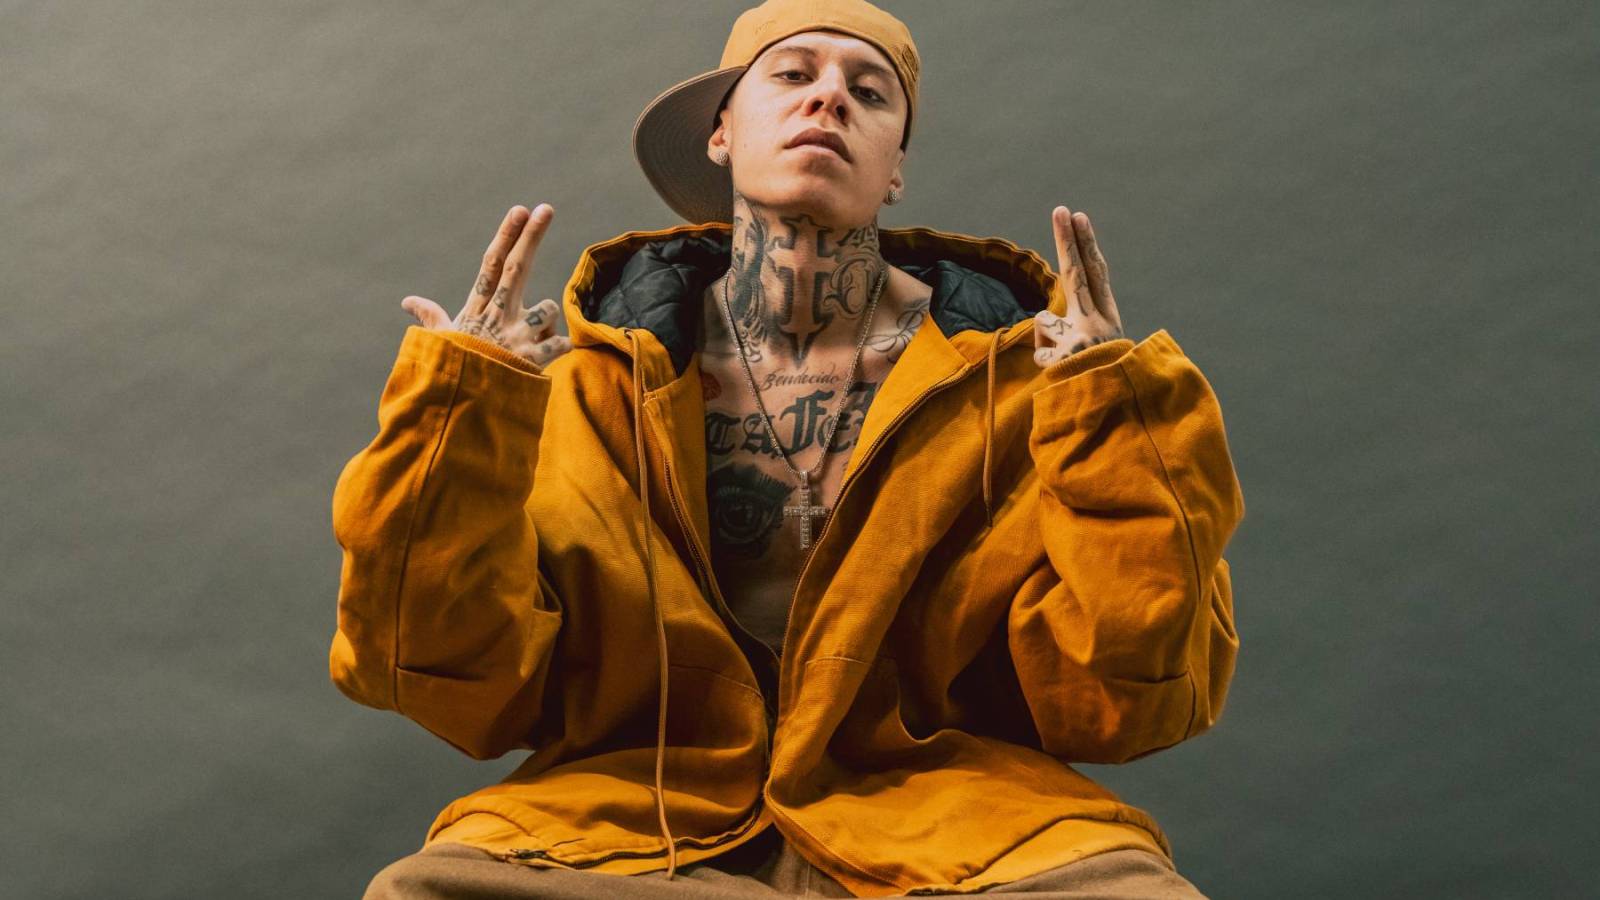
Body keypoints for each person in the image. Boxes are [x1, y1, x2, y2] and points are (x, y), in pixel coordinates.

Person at [333, 0, 1245, 896]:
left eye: (870, 92)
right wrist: (461, 418)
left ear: (896, 167)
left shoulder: (1026, 383)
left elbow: (1130, 702)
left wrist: (1113, 423)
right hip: (635, 826)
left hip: (959, 831)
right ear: (721, 133)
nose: (829, 97)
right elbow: (450, 680)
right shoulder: (586, 383)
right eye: (792, 75)